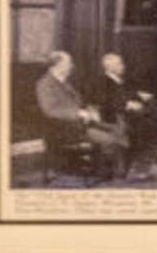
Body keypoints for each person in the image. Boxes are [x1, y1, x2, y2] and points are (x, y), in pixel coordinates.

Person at [33, 50, 127, 181]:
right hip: (63, 129)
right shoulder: (45, 84)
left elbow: (78, 102)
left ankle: (105, 168)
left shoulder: (64, 82)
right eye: (69, 63)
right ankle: (103, 170)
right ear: (58, 65)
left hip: (78, 124)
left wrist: (89, 110)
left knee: (118, 130)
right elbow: (50, 110)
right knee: (109, 138)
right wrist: (78, 113)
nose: (72, 65)